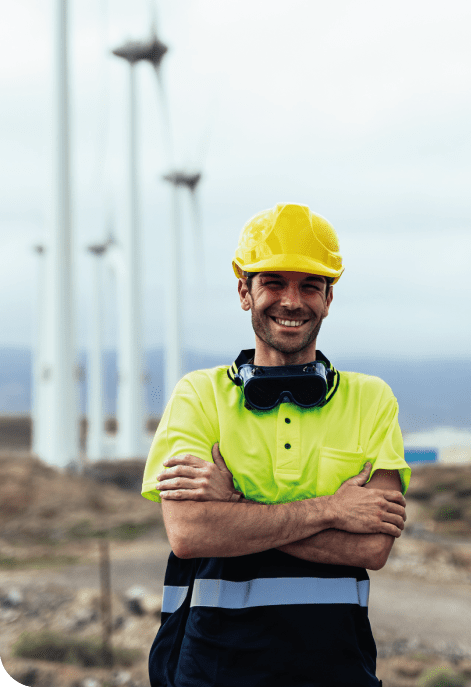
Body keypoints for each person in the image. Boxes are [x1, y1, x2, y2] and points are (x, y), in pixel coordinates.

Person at [141, 202, 410, 687]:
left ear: (329, 298)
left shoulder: (372, 399)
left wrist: (237, 508)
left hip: (336, 668)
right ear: (245, 291)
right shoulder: (198, 395)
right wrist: (332, 510)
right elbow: (190, 533)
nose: (292, 300)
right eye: (273, 283)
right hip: (211, 665)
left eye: (310, 285)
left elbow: (371, 546)